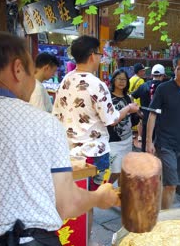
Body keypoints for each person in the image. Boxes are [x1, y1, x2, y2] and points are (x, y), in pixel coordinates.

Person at [0, 33, 120, 246]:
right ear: (18, 68)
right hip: (29, 239)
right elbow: (67, 204)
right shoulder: (43, 124)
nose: (34, 82)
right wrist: (99, 198)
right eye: (33, 72)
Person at [52, 35, 139, 191]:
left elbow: (56, 114)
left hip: (67, 151)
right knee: (89, 198)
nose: (100, 58)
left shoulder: (66, 79)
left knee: (75, 195)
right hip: (92, 153)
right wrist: (128, 109)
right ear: (92, 56)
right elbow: (112, 119)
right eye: (100, 54)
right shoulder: (97, 85)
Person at [146, 53, 180, 210]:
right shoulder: (163, 89)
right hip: (165, 143)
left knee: (169, 183)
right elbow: (152, 114)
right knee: (172, 184)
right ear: (174, 69)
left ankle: (158, 210)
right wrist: (149, 141)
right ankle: (165, 219)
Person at [107, 70, 136, 184]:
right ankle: (105, 191)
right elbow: (111, 119)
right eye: (119, 78)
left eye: (124, 79)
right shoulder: (107, 97)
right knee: (115, 171)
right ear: (113, 80)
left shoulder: (128, 98)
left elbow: (131, 119)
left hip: (127, 140)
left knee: (123, 171)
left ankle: (118, 195)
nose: (121, 82)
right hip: (113, 141)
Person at [131, 64, 166, 151]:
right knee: (159, 145)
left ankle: (145, 159)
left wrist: (137, 111)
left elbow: (131, 97)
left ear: (151, 75)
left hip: (146, 118)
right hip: (161, 120)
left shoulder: (144, 85)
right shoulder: (165, 87)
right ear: (163, 75)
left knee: (146, 141)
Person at [129, 63, 148, 142]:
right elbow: (143, 92)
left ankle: (131, 134)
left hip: (131, 102)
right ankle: (140, 136)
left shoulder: (131, 79)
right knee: (140, 121)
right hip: (138, 102)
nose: (144, 72)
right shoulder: (140, 80)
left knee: (131, 119)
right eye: (143, 71)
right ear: (139, 72)